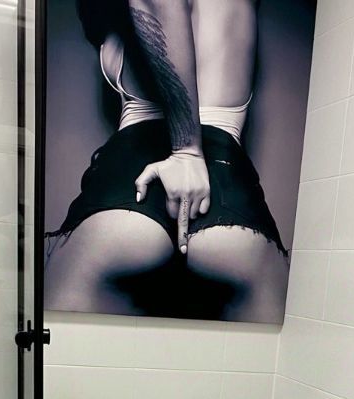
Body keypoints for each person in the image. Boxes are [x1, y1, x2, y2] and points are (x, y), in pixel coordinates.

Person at [44, 0, 289, 323]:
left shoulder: (119, 24)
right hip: (227, 193)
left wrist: (186, 151)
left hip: (132, 187)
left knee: (65, 346)